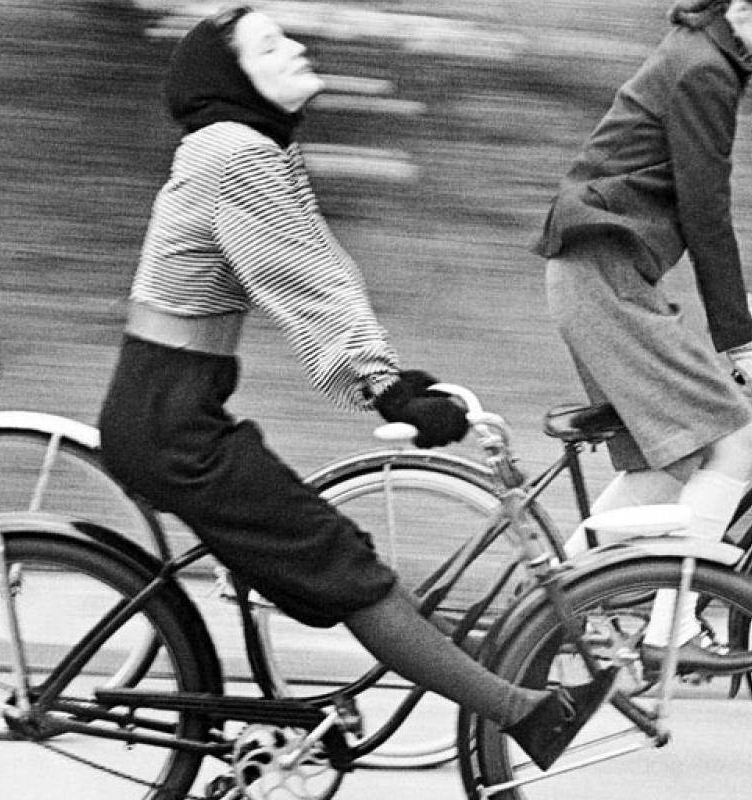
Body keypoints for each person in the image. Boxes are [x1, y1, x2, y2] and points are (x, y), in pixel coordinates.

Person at [97, 6, 616, 773]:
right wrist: (385, 390)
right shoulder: (234, 152)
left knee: (344, 563)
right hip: (172, 426)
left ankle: (507, 680)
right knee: (347, 570)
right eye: (270, 45)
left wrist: (394, 378)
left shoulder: (248, 148)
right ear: (230, 77)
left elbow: (320, 269)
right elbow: (302, 284)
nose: (297, 48)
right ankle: (523, 715)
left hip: (172, 410)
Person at [535, 0, 752, 674]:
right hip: (603, 273)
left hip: (604, 269)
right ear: (745, 10)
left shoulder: (704, 55)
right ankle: (674, 630)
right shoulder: (705, 70)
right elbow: (705, 206)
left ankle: (548, 602)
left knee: (667, 465)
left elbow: (683, 203)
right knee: (736, 437)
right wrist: (739, 344)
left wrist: (736, 310)